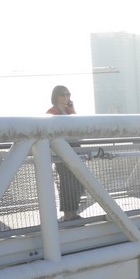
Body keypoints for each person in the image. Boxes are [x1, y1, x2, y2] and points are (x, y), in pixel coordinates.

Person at [47, 85, 83, 222]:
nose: (66, 97)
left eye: (68, 94)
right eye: (62, 94)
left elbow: (77, 130)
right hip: (61, 152)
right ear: (55, 96)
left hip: (74, 149)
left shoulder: (68, 112)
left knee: (78, 182)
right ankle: (69, 214)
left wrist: (72, 111)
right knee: (67, 183)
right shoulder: (51, 113)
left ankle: (73, 212)